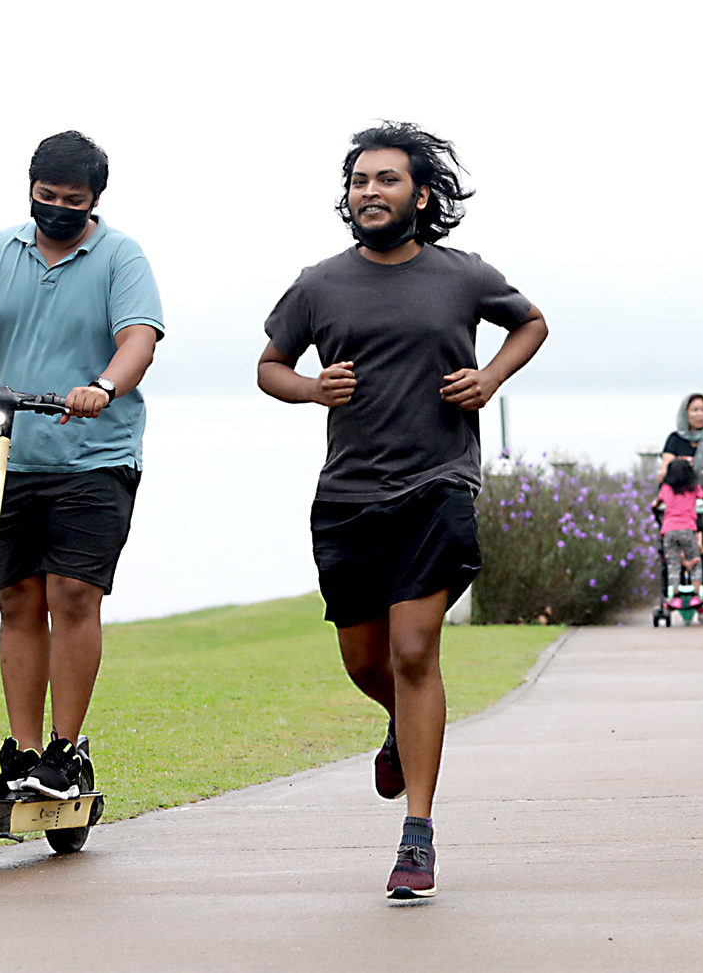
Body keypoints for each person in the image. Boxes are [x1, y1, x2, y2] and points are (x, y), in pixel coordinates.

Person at [256, 121, 547, 903]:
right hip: (349, 495)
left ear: (421, 195)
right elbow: (270, 367)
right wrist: (312, 388)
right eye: (359, 181)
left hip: (438, 484)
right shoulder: (319, 284)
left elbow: (531, 322)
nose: (370, 192)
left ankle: (416, 835)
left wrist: (489, 379)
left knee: (416, 650)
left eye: (386, 180)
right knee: (366, 661)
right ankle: (402, 725)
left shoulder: (462, 276)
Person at [0, 130, 164, 801]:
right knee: (16, 598)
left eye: (70, 200)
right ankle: (20, 754)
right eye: (45, 196)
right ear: (30, 190)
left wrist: (102, 387)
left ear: (94, 200)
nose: (55, 209)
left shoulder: (119, 257)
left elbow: (139, 338)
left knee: (72, 594)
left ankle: (65, 751)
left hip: (95, 454)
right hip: (10, 453)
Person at [660, 392, 703, 592]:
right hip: (679, 503)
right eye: (695, 410)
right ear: (686, 413)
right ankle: (675, 587)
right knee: (672, 547)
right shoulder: (675, 439)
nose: (700, 415)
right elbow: (667, 462)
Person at [651, 457, 703, 583]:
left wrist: (655, 506)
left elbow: (657, 503)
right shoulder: (693, 489)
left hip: (669, 531)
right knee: (694, 559)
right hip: (687, 529)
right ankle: (697, 587)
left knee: (673, 564)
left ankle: (674, 590)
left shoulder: (666, 488)